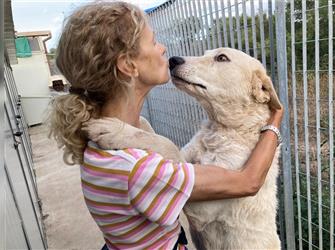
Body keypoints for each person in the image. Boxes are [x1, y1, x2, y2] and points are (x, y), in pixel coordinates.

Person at [48, 2, 284, 250]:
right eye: (153, 42)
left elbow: (172, 170)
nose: (163, 48)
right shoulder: (134, 168)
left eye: (219, 58)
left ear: (259, 89)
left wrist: (142, 134)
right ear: (128, 65)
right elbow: (243, 184)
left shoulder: (108, 139)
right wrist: (275, 120)